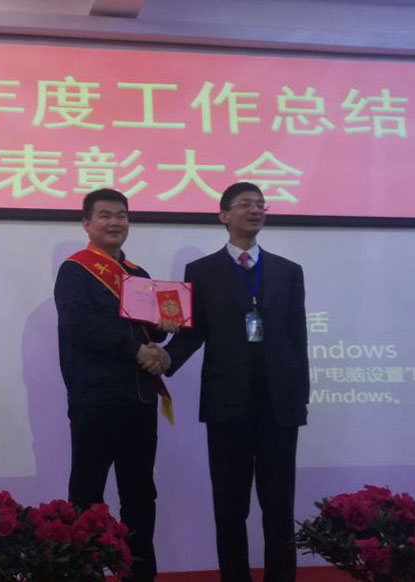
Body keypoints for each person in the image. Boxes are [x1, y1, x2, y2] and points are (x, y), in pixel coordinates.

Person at [159, 182, 309, 582]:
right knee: (230, 506)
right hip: (227, 404)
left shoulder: (288, 271)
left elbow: (298, 337)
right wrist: (166, 359)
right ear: (224, 215)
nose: (255, 210)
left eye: (261, 205)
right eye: (245, 204)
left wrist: (301, 397)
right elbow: (193, 332)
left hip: (279, 405)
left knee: (279, 504)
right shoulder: (201, 272)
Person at [54, 188, 171, 582]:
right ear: (87, 224)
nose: (115, 222)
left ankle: (139, 573)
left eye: (121, 215)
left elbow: (147, 328)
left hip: (139, 400)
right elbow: (82, 326)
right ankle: (83, 574)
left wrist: (164, 329)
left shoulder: (139, 274)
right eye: (105, 215)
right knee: (87, 494)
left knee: (140, 494)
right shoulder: (75, 271)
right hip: (96, 399)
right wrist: (136, 350)